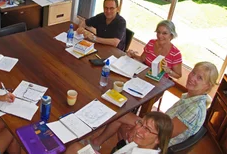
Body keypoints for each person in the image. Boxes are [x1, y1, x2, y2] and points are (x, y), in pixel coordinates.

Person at [90, 61, 218, 149]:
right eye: (193, 72)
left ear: (208, 86)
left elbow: (165, 133)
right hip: (157, 130)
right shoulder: (192, 98)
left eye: (199, 78)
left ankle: (100, 142)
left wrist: (140, 127)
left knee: (122, 115)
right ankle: (99, 143)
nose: (192, 78)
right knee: (123, 115)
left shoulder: (194, 109)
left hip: (157, 142)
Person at [65, 111, 173, 154]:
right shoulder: (144, 146)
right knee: (75, 147)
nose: (138, 130)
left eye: (147, 129)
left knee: (74, 148)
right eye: (140, 123)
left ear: (158, 139)